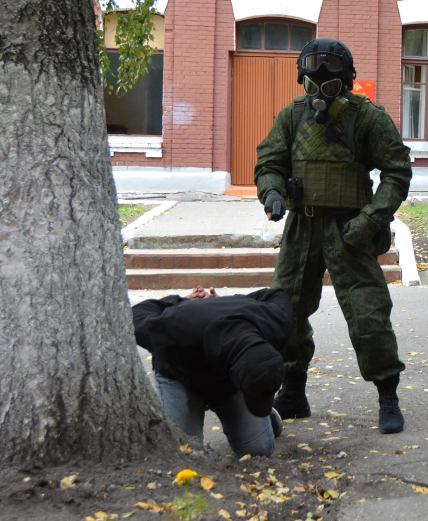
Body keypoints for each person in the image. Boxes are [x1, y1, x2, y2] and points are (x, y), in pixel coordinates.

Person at [254, 38, 412, 433]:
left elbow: (397, 172)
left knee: (368, 313)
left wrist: (371, 219)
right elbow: (268, 162)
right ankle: (293, 391)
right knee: (284, 312)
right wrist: (272, 193)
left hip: (350, 230)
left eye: (330, 87)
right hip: (302, 229)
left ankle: (387, 394)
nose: (319, 95)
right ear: (302, 82)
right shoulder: (291, 117)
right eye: (311, 86)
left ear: (346, 84)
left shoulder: (368, 118)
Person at [132, 287, 291, 457]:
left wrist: (228, 303)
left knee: (258, 452)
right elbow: (136, 313)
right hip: (181, 379)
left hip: (231, 383)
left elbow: (277, 293)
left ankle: (268, 417)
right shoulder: (175, 331)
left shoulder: (276, 324)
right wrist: (181, 302)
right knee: (185, 455)